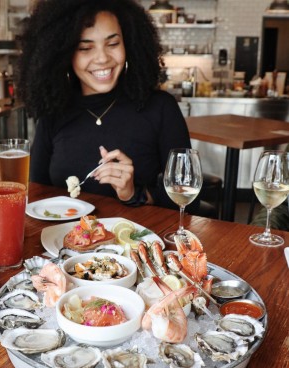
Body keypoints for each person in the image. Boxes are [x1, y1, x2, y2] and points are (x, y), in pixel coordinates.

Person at [17, 0, 213, 215]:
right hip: (64, 243)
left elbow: (188, 201)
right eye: (85, 47)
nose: (102, 58)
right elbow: (37, 193)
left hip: (138, 241)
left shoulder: (160, 108)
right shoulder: (54, 112)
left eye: (112, 44)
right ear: (63, 54)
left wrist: (133, 193)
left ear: (128, 44)